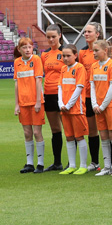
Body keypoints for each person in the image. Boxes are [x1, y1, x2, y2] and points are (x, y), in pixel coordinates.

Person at [90, 39, 112, 176]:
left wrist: (103, 105)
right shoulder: (94, 66)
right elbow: (92, 86)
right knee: (103, 135)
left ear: (105, 50)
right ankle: (107, 167)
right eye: (93, 50)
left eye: (97, 50)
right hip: (98, 107)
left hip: (110, 106)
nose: (94, 53)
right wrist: (94, 104)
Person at [13, 37, 45, 174]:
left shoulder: (36, 60)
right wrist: (17, 104)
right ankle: (29, 163)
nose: (27, 49)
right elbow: (16, 84)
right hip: (23, 102)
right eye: (24, 47)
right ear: (19, 50)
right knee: (27, 133)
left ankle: (40, 163)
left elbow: (38, 81)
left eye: (29, 47)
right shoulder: (17, 62)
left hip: (35, 101)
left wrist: (38, 101)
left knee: (37, 132)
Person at [57, 44, 90, 175]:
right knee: (69, 137)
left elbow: (79, 87)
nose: (65, 58)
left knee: (79, 136)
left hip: (76, 108)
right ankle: (71, 165)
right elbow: (59, 87)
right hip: (64, 108)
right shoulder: (63, 69)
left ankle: (83, 165)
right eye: (63, 56)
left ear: (75, 55)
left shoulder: (80, 68)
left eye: (68, 55)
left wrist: (69, 104)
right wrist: (60, 103)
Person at [41, 24, 66, 171]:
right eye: (48, 37)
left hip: (63, 94)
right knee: (55, 129)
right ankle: (57, 163)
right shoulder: (44, 54)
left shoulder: (65, 52)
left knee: (69, 129)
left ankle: (73, 163)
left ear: (60, 35)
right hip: (49, 94)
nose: (51, 40)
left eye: (53, 37)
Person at [79, 23, 103, 171]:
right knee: (92, 130)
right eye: (85, 31)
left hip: (103, 94)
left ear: (97, 34)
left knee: (107, 130)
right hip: (88, 95)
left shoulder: (104, 50)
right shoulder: (82, 53)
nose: (86, 34)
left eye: (89, 31)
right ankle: (95, 162)